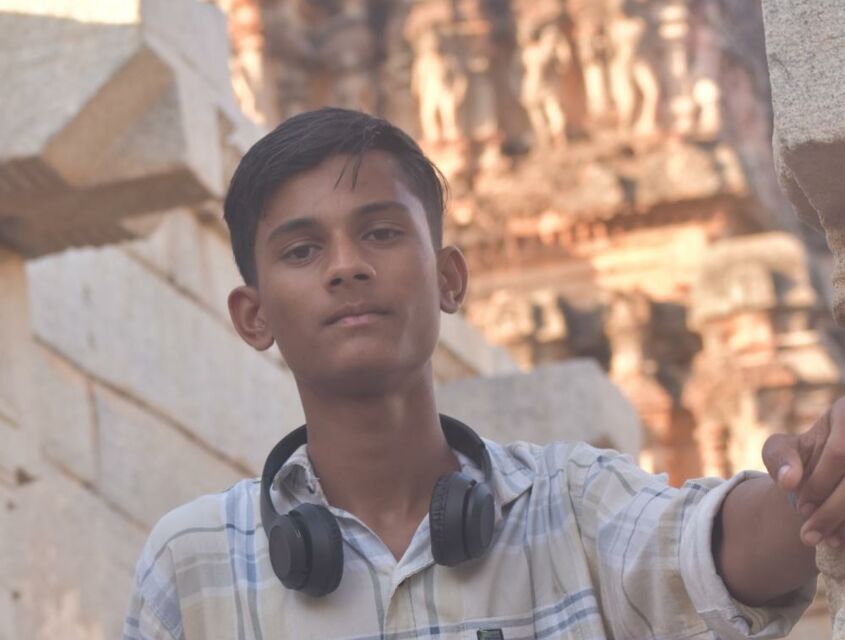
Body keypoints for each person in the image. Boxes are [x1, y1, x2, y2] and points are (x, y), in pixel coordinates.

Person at [123, 107, 842, 639]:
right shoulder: (195, 561)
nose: (346, 266)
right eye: (302, 251)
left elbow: (719, 547)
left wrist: (811, 483)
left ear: (449, 279)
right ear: (253, 316)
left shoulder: (574, 505)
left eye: (380, 232)